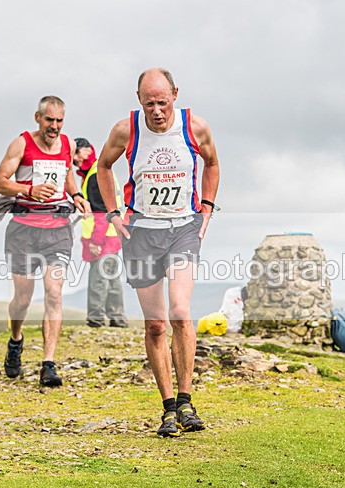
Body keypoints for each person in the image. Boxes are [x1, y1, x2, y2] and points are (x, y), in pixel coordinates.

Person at [96, 68, 220, 437]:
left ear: (175, 95)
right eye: (149, 103)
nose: (157, 111)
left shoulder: (195, 127)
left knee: (181, 313)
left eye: (162, 102)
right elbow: (103, 166)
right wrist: (114, 214)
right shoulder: (126, 130)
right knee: (155, 325)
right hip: (141, 233)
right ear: (139, 100)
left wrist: (208, 207)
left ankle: (187, 401)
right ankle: (168, 407)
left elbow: (212, 163)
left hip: (183, 228)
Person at [0, 96, 90, 387]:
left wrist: (76, 196)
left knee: (54, 293)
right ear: (38, 118)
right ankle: (16, 339)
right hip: (23, 228)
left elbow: (68, 173)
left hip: (57, 230)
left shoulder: (68, 144)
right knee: (22, 300)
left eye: (60, 121)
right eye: (49, 120)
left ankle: (48, 364)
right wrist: (28, 189)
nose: (55, 127)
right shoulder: (21, 144)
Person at [73, 137, 129, 328]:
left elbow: (101, 212)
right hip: (113, 235)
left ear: (87, 150)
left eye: (76, 153)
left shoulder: (95, 174)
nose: (74, 160)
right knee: (112, 278)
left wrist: (95, 241)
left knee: (98, 279)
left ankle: (96, 319)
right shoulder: (98, 171)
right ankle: (117, 318)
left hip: (103, 236)